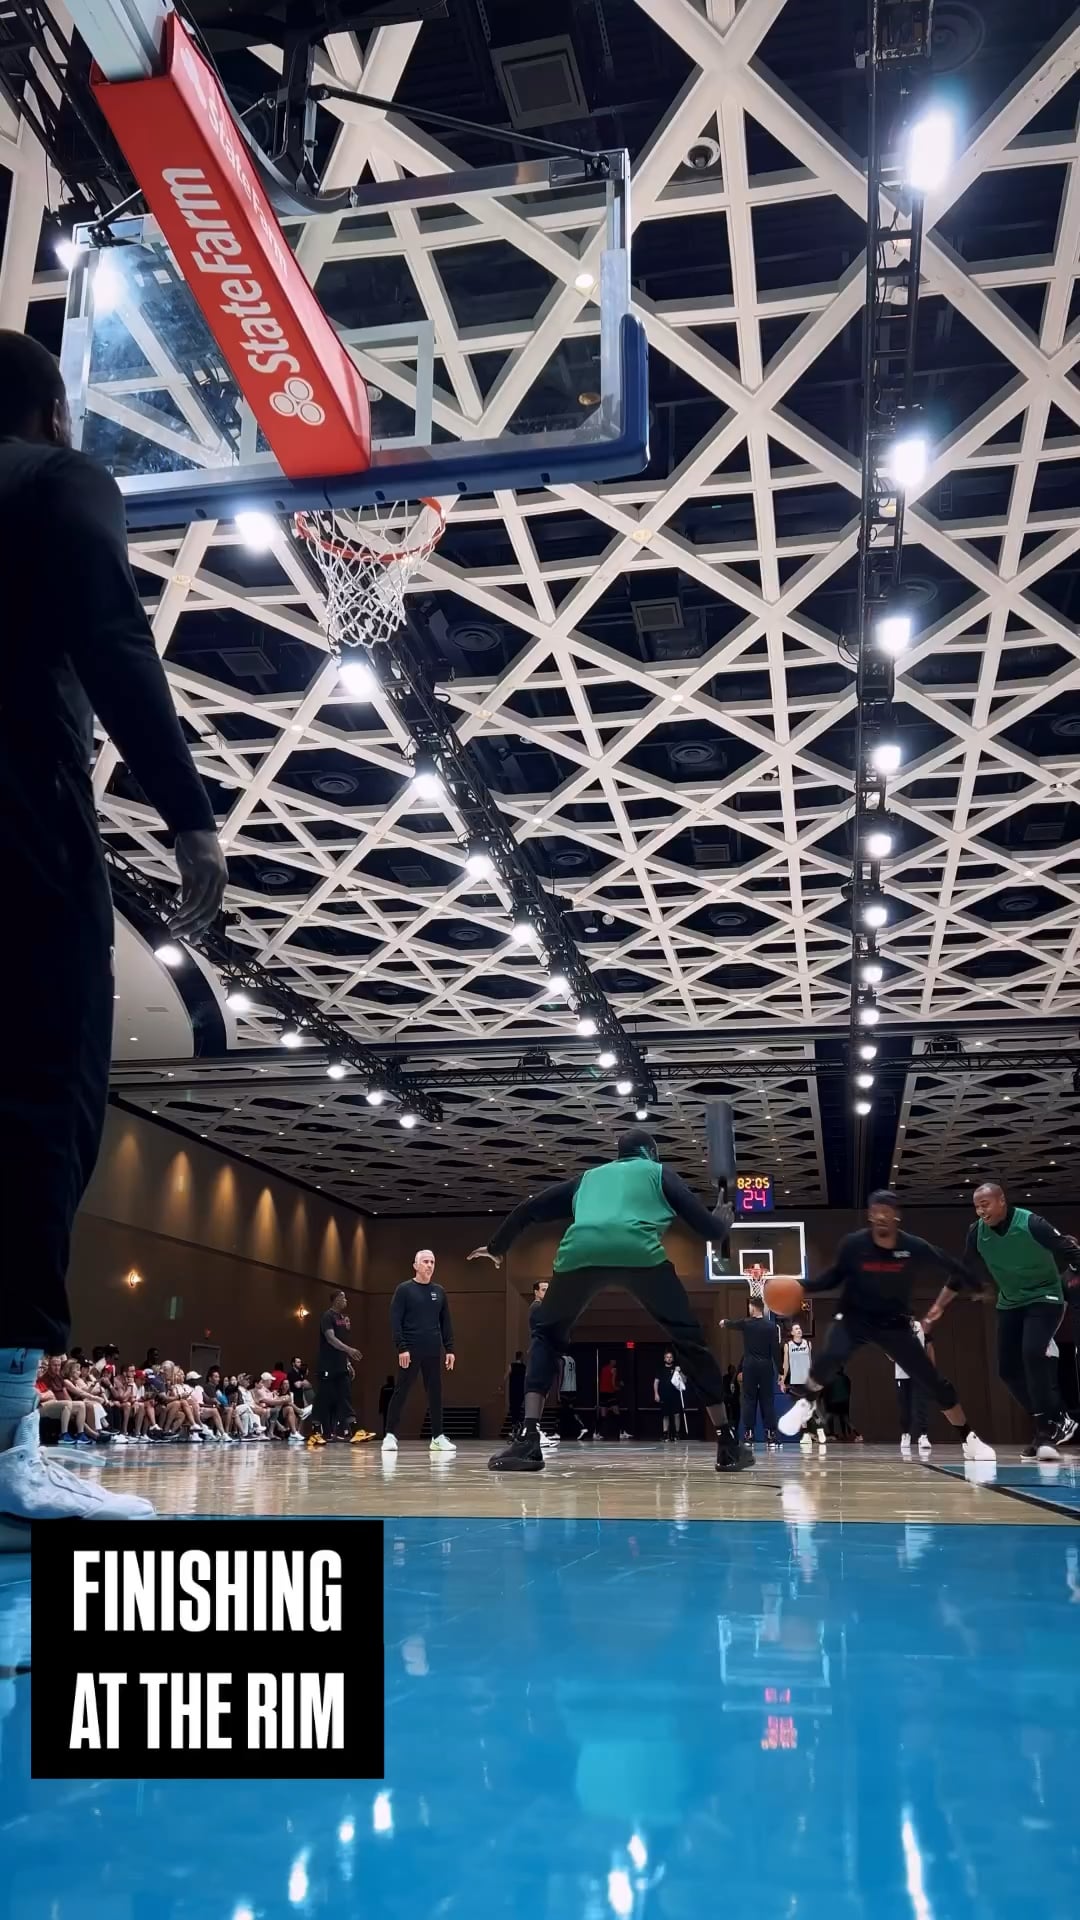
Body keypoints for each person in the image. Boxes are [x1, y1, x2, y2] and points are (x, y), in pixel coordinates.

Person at [0, 330, 227, 1536]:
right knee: (40, 1113)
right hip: (19, 841)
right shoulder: (57, 477)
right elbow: (113, 634)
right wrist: (189, 814)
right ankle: (8, 1448)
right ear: (53, 411)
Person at [471, 1129, 744, 1473]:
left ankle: (527, 1439)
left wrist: (497, 1247)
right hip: (639, 1253)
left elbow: (529, 1209)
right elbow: (710, 1230)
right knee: (688, 1339)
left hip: (580, 1253)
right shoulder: (658, 1172)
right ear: (651, 1152)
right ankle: (727, 1442)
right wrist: (723, 1216)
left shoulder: (586, 1179)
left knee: (547, 1334)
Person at [778, 1192, 994, 1461]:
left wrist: (977, 1285)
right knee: (832, 1354)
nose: (881, 1216)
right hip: (854, 1318)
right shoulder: (854, 1245)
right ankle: (806, 1403)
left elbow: (948, 1263)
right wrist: (801, 1287)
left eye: (886, 1211)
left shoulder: (912, 1246)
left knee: (933, 1381)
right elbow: (832, 1278)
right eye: (876, 1211)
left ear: (896, 1216)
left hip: (894, 1324)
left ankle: (969, 1439)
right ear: (870, 1216)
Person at [923, 1180, 1080, 1461]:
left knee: (1032, 1353)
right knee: (1007, 1370)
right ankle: (1053, 1422)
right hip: (1010, 1303)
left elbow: (1069, 1251)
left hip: (1045, 1297)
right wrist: (939, 1306)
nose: (980, 1211)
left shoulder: (1032, 1223)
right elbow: (961, 1272)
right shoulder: (977, 1233)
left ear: (1001, 1201)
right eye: (976, 1207)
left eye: (985, 1204)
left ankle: (1046, 1431)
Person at [383, 1250, 457, 1456]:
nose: (429, 1265)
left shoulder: (439, 1292)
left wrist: (449, 1349)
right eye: (425, 1261)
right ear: (415, 1265)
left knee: (435, 1393)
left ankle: (438, 1437)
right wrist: (402, 1347)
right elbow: (395, 1320)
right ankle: (390, 1435)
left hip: (433, 1349)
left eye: (432, 1261)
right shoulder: (404, 1290)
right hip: (410, 1349)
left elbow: (446, 1321)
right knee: (401, 1390)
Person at [719, 1301, 781, 1450]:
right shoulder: (771, 1326)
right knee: (767, 1400)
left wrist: (724, 1322)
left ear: (753, 1308)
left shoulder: (746, 1323)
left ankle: (749, 1435)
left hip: (750, 1367)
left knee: (749, 1400)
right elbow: (775, 1351)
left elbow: (732, 1324)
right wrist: (781, 1371)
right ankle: (771, 1436)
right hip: (766, 1367)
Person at [307, 1289, 363, 1449]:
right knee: (323, 1398)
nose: (346, 1301)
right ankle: (316, 1432)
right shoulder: (327, 1316)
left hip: (340, 1365)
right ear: (336, 1299)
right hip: (327, 1365)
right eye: (343, 1298)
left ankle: (355, 1430)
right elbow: (331, 1339)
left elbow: (343, 1339)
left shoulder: (343, 1319)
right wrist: (350, 1351)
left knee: (345, 1395)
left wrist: (348, 1363)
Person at [780, 1320, 825, 1455]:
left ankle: (820, 1429)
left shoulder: (808, 1344)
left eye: (799, 1328)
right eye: (796, 1329)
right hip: (796, 1381)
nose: (799, 1330)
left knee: (813, 1406)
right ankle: (805, 1435)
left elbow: (811, 1362)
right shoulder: (788, 1346)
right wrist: (782, 1380)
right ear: (792, 1332)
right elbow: (786, 1365)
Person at [895, 1320, 933, 1458]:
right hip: (902, 1373)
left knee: (920, 1403)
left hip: (919, 1372)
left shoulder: (921, 1327)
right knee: (905, 1406)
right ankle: (906, 1434)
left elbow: (929, 1346)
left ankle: (923, 1435)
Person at [654, 1349, 682, 1440]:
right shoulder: (660, 1370)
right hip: (664, 1395)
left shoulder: (676, 1369)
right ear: (664, 1359)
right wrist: (656, 1394)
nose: (669, 1359)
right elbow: (656, 1382)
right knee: (665, 1415)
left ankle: (677, 1433)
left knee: (676, 1414)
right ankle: (665, 1433)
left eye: (670, 1357)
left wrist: (679, 1372)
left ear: (672, 1359)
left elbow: (683, 1380)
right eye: (667, 1357)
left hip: (675, 1395)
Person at [506, 1350, 527, 1427]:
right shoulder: (524, 1367)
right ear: (521, 1357)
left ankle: (514, 1422)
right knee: (519, 1405)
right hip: (520, 1389)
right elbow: (527, 1378)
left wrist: (501, 1385)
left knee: (513, 1405)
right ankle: (518, 1421)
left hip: (513, 1389)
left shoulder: (511, 1366)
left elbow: (506, 1375)